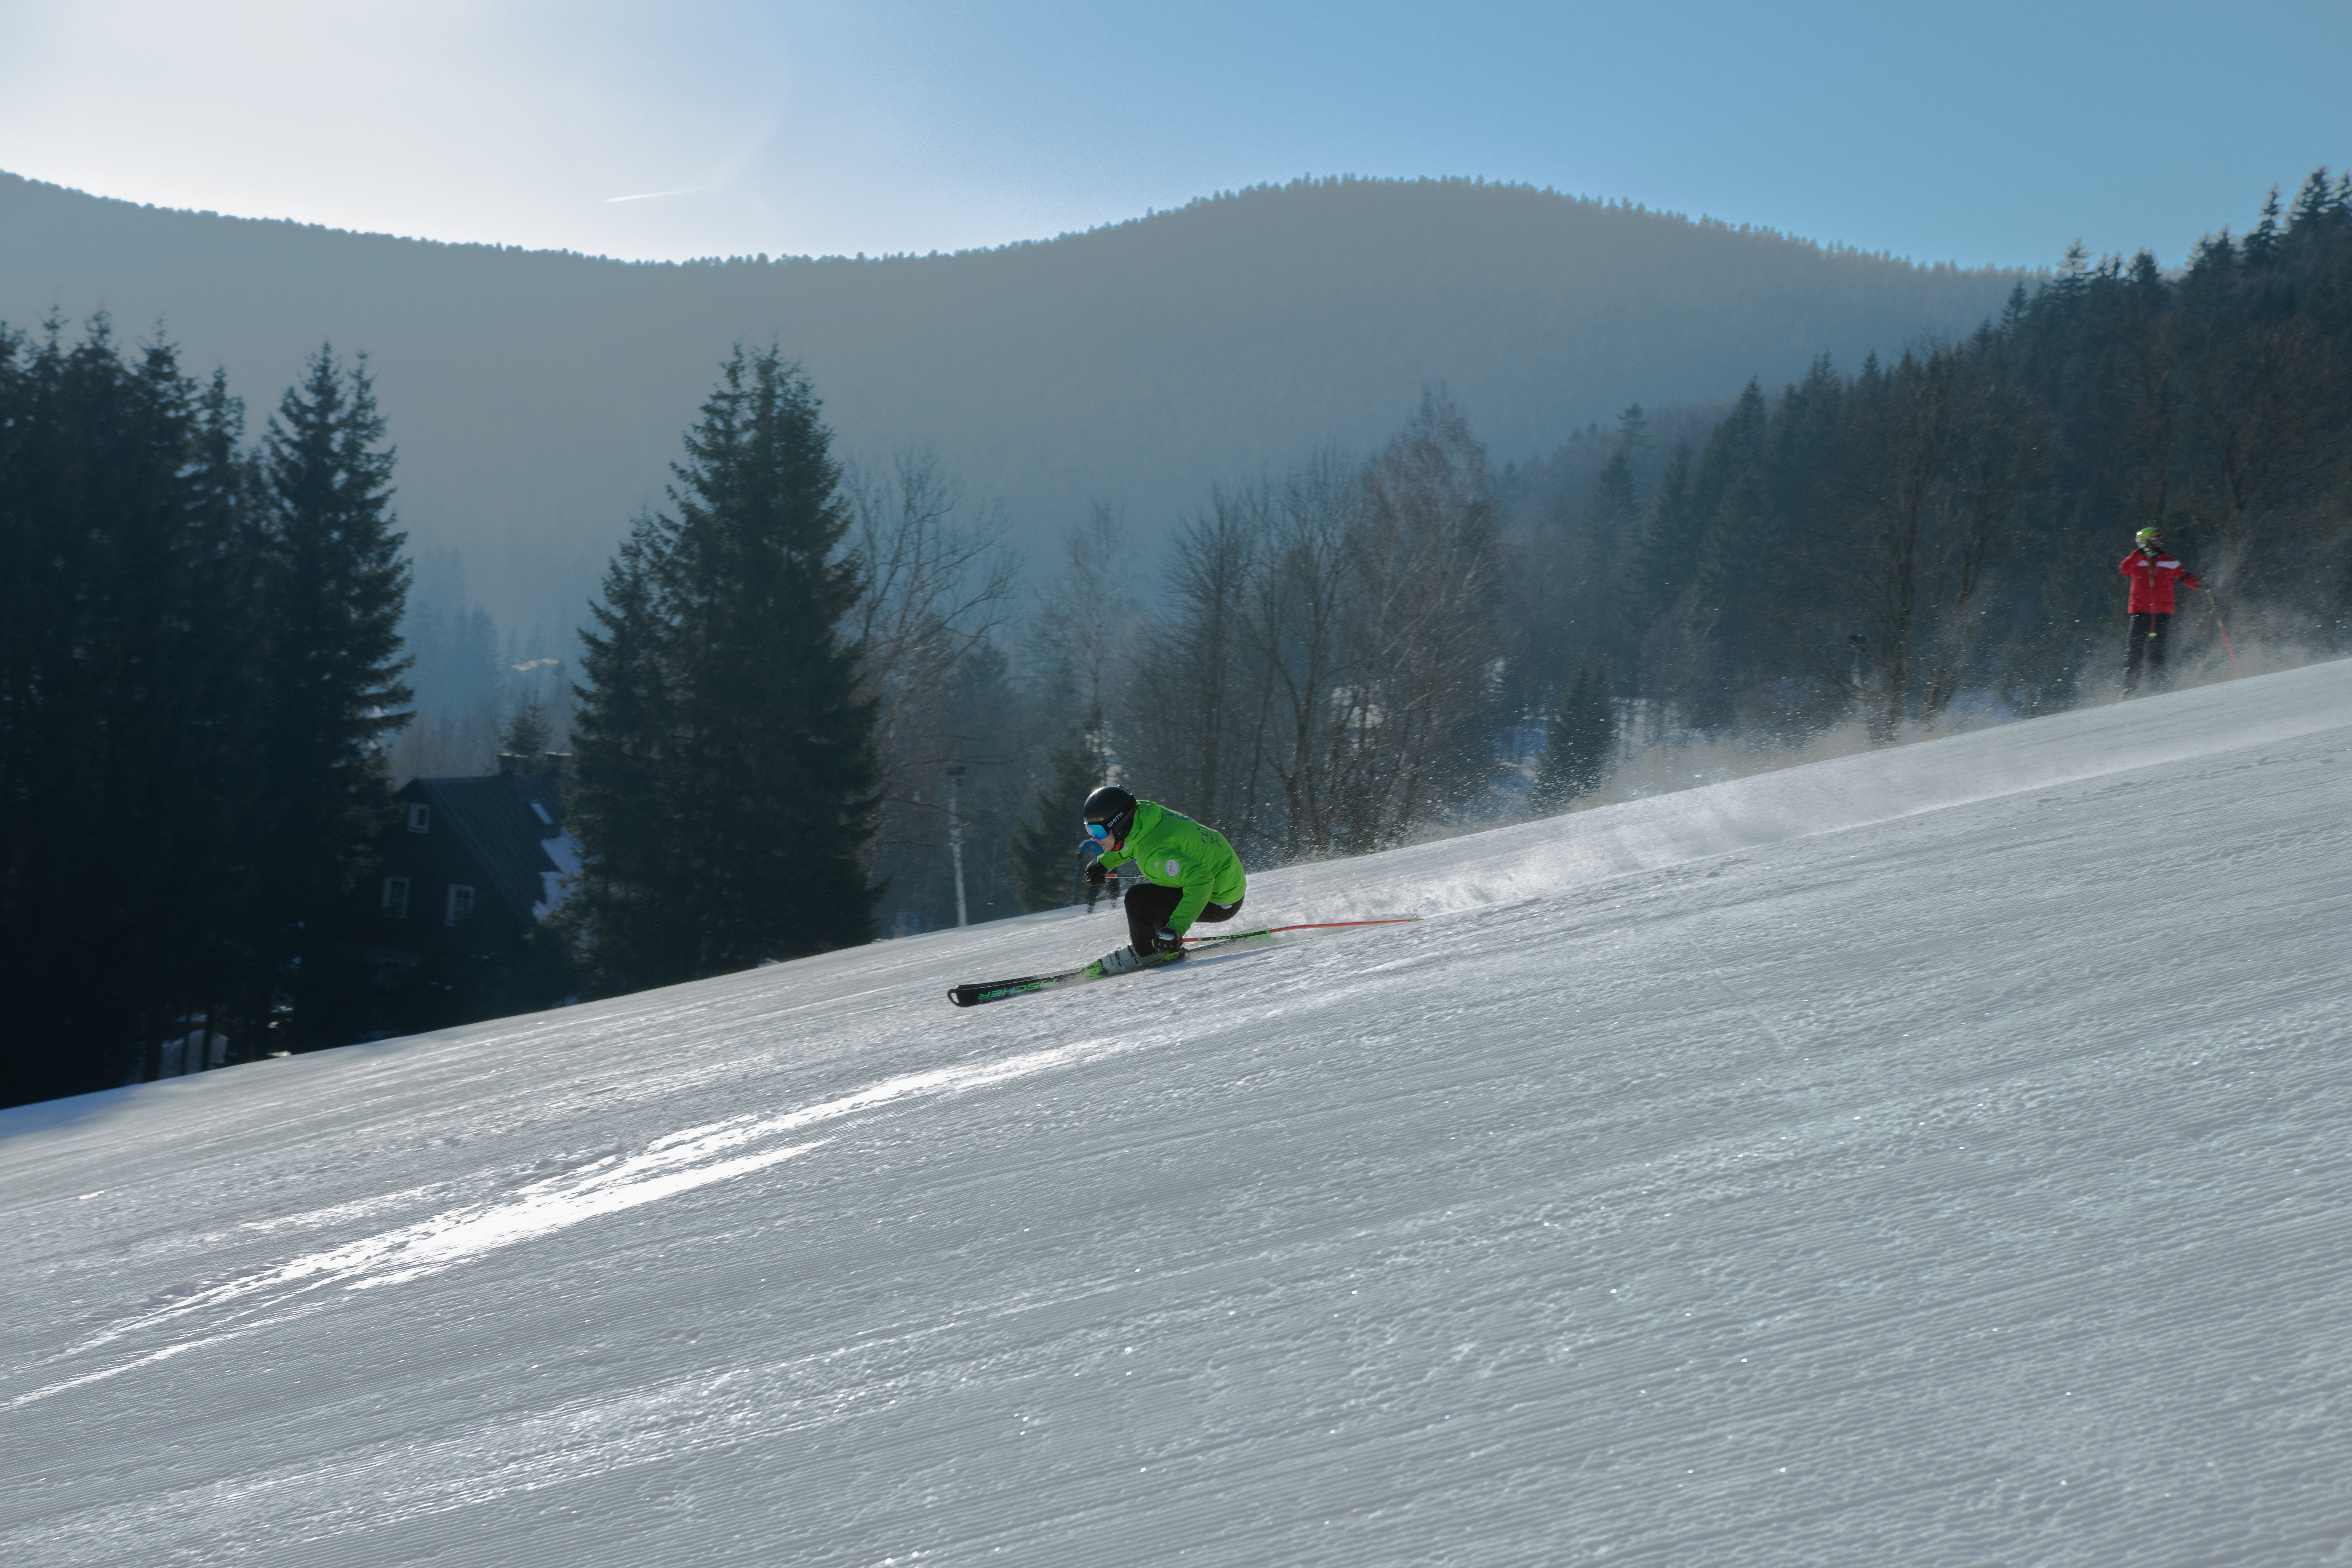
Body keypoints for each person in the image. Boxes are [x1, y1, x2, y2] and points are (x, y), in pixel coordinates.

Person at [1079, 785, 1247, 975]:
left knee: (1138, 900)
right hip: (1227, 879)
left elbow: (1202, 881)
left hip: (1222, 900)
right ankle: (1159, 945)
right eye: (1089, 830)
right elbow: (1131, 843)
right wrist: (1104, 864)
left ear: (1119, 824)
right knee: (1155, 892)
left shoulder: (1154, 853)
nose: (1094, 839)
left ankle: (1147, 953)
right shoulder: (1143, 816)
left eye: (1097, 831)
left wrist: (1176, 929)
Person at [2118, 526, 2203, 693]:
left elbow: (2184, 576)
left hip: (2162, 613)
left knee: (2158, 651)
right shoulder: (2137, 560)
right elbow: (2124, 569)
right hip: (2140, 611)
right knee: (2135, 651)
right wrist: (2139, 553)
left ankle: (2158, 687)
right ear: (2146, 542)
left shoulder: (2169, 561)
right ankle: (2129, 689)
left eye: (2159, 540)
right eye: (2155, 540)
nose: (2159, 543)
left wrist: (2197, 583)